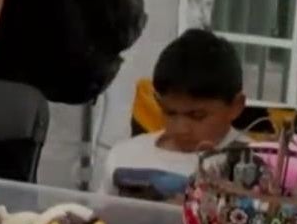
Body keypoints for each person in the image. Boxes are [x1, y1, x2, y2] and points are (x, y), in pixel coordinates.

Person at [103, 28, 245, 197]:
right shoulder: (124, 157)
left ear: (236, 106)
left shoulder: (257, 167)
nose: (181, 129)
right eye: (169, 112)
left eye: (197, 116)